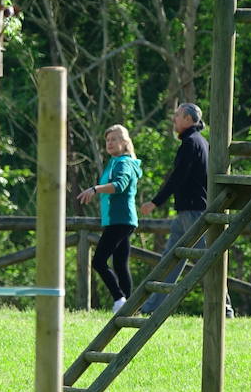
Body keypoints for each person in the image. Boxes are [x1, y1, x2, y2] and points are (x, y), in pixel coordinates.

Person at [139, 103, 233, 317]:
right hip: (187, 212)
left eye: (178, 116)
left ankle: (225, 308)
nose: (174, 119)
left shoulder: (191, 143)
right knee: (170, 261)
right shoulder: (200, 142)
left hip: (194, 212)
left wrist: (155, 202)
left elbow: (178, 177)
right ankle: (151, 307)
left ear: (189, 119)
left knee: (206, 261)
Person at [76, 124, 143, 313]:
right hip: (117, 220)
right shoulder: (114, 162)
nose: (110, 143)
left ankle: (119, 298)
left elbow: (120, 185)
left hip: (120, 219)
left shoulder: (123, 162)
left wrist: (95, 189)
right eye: (107, 140)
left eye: (114, 139)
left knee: (98, 261)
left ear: (124, 142)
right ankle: (130, 306)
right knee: (120, 264)